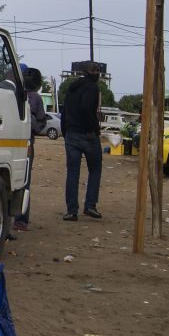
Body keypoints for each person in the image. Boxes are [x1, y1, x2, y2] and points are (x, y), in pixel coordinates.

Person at [61, 62, 103, 221]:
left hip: (71, 134)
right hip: (87, 135)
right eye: (96, 71)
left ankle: (72, 211)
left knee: (72, 173)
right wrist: (94, 129)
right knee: (95, 169)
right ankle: (90, 205)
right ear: (89, 73)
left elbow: (65, 111)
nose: (97, 73)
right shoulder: (92, 87)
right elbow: (86, 108)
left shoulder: (72, 88)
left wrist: (65, 131)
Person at [14, 67, 48, 231]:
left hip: (10, 143)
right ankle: (21, 219)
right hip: (26, 145)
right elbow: (41, 123)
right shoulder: (36, 99)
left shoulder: (13, 93)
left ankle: (14, 217)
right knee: (24, 181)